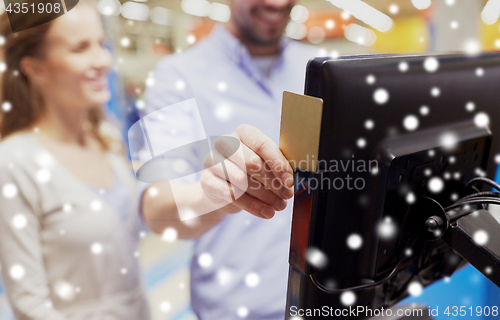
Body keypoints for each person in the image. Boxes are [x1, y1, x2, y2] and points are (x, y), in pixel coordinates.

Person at [140, 0, 318, 318]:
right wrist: (213, 194)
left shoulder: (319, 69)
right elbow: (157, 210)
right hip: (235, 308)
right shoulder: (177, 76)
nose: (276, 3)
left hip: (323, 301)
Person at [0, 2, 152, 319]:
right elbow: (30, 306)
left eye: (101, 44)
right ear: (35, 68)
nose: (104, 60)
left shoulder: (106, 139)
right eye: (80, 48)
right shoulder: (14, 164)